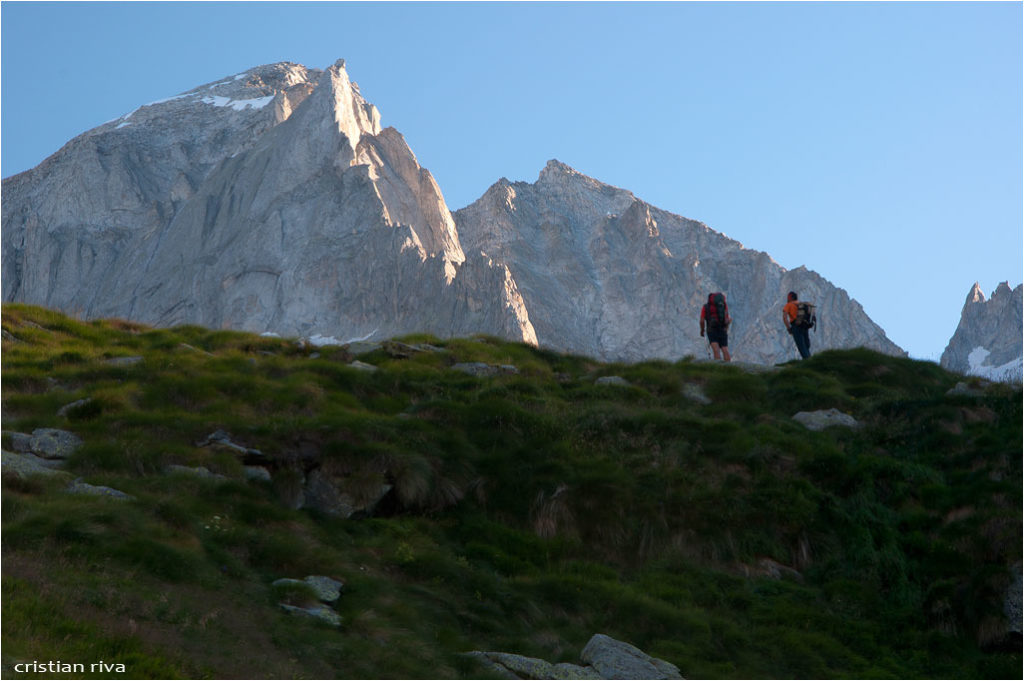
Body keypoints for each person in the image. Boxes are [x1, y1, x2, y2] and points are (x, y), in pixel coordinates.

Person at [699, 292, 732, 361]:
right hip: (722, 329)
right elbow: (727, 319)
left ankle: (718, 368)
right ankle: (729, 368)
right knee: (725, 349)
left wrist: (702, 330)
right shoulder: (723, 306)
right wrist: (726, 328)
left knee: (716, 350)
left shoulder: (705, 307)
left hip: (712, 330)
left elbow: (702, 321)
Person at [783, 291, 812, 359]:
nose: (787, 298)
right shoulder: (801, 304)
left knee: (801, 346)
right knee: (806, 345)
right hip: (804, 325)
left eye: (788, 297)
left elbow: (784, 317)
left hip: (796, 326)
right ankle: (810, 361)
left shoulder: (789, 305)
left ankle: (807, 362)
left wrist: (788, 328)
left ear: (791, 297)